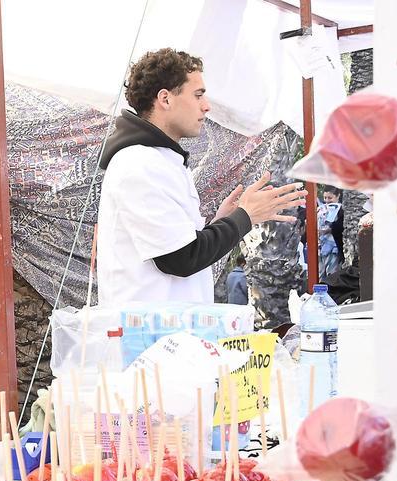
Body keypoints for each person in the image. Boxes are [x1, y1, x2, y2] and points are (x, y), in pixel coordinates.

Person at [96, 48, 306, 305]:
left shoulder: (161, 160)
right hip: (146, 327)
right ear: (165, 99)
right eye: (198, 95)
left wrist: (222, 222)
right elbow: (180, 259)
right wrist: (244, 217)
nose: (206, 106)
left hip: (164, 324)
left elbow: (181, 248)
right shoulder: (140, 164)